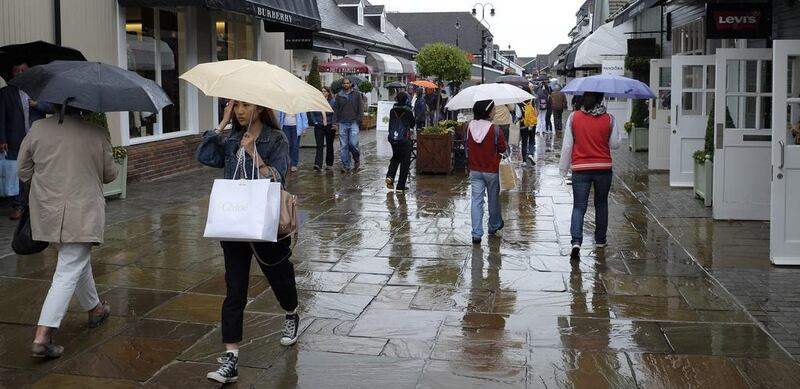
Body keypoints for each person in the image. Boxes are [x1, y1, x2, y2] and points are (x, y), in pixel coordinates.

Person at [197, 100, 299, 384]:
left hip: (266, 221)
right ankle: (231, 359)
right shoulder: (230, 137)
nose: (240, 111)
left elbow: (278, 177)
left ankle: (291, 312)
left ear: (260, 107)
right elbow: (204, 156)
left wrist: (255, 154)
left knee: (279, 276)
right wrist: (221, 124)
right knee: (235, 289)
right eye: (236, 106)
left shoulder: (275, 138)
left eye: (245, 106)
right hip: (234, 222)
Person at [18, 106, 118, 358]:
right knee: (67, 270)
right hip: (82, 213)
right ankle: (42, 336)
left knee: (75, 260)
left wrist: (47, 185)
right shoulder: (97, 133)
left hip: (47, 213)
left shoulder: (38, 128)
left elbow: (23, 171)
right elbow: (109, 175)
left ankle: (95, 309)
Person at [558, 92, 621, 261]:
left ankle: (576, 241)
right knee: (601, 204)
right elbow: (615, 144)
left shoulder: (574, 117)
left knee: (579, 206)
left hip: (580, 168)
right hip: (603, 168)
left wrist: (563, 170)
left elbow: (567, 146)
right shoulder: (610, 119)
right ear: (601, 99)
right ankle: (600, 240)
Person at [0, 58, 54, 220]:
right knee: (18, 172)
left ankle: (36, 204)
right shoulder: (5, 93)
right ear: (12, 73)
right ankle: (19, 205)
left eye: (24, 70)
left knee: (38, 171)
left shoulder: (39, 91)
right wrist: (2, 139)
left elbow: (52, 107)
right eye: (17, 70)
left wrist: (38, 105)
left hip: (38, 139)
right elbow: (1, 117)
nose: (20, 73)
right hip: (15, 139)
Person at [467, 100, 507, 245]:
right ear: (488, 111)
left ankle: (476, 234)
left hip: (475, 170)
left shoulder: (468, 127)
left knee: (476, 201)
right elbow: (503, 149)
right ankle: (494, 226)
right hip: (492, 170)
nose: (495, 111)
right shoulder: (495, 129)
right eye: (494, 109)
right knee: (493, 199)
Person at [385, 92, 415, 192]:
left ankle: (390, 176)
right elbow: (412, 124)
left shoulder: (392, 110)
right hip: (404, 139)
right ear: (406, 100)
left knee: (395, 158)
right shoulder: (408, 111)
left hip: (393, 138)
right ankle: (400, 186)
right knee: (405, 162)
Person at [333, 78, 363, 173]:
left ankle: (356, 158)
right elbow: (336, 110)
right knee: (343, 146)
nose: (346, 85)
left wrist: (359, 120)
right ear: (342, 85)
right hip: (342, 122)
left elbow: (360, 108)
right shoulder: (339, 96)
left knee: (353, 143)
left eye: (347, 83)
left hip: (354, 122)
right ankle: (346, 165)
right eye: (344, 83)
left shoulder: (357, 94)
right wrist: (335, 123)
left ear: (351, 84)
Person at [310, 86, 336, 171]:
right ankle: (318, 164)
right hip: (319, 126)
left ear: (328, 93)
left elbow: (335, 114)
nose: (323, 93)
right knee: (319, 145)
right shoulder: (317, 102)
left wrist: (334, 123)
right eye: (322, 91)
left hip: (329, 125)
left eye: (325, 91)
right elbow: (312, 112)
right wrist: (315, 122)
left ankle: (329, 164)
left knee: (329, 145)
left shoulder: (332, 102)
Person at [519, 86, 538, 167]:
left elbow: (518, 114)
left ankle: (524, 161)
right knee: (531, 140)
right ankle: (531, 154)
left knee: (524, 142)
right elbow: (535, 111)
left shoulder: (519, 102)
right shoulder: (532, 100)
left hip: (523, 124)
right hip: (532, 124)